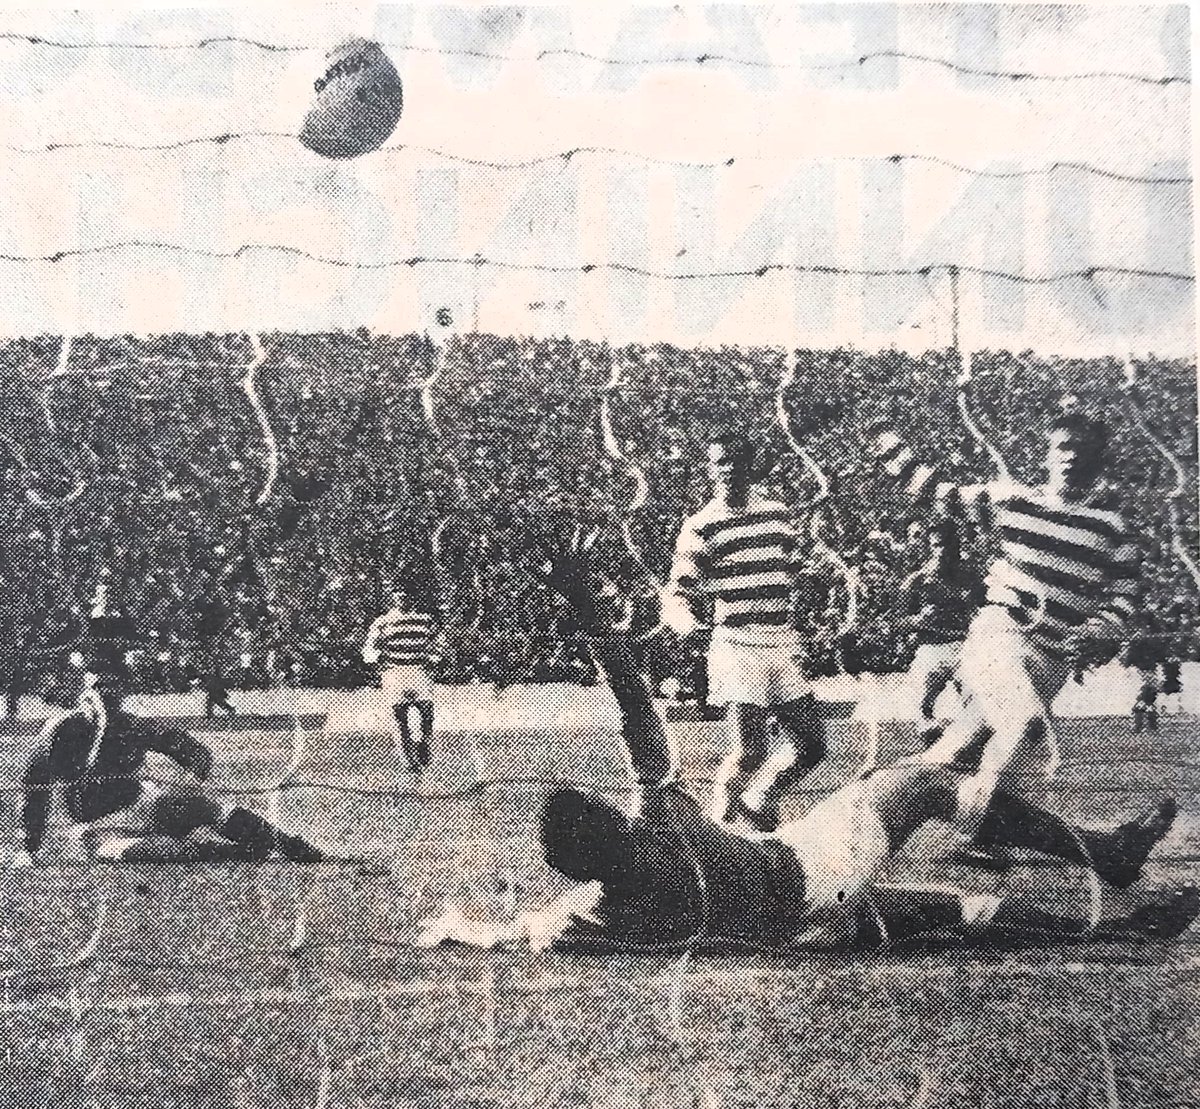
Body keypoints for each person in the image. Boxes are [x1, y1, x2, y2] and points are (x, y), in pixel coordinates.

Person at [418, 532, 1194, 953]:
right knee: (923, 779)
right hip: (811, 870)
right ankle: (1107, 854)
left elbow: (528, 930)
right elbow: (634, 708)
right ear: (605, 826)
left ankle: (1117, 925)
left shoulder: (593, 912)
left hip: (802, 927)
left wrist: (464, 928)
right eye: (602, 809)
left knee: (967, 913)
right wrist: (588, 607)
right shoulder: (652, 823)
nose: (614, 808)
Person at [868, 410, 1141, 833]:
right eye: (1063, 448)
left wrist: (1101, 627)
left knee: (951, 751)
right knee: (1023, 725)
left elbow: (1126, 598)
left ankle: (875, 802)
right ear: (1048, 455)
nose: (1071, 458)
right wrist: (888, 443)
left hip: (1055, 657)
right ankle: (975, 828)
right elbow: (935, 491)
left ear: (1098, 459)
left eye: (1082, 450)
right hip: (1002, 635)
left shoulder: (1114, 530)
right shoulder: (1013, 501)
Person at [11, 621, 326, 865]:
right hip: (99, 828)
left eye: (114, 685)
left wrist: (189, 783)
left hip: (147, 806)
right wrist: (29, 847)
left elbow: (197, 753)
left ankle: (285, 843)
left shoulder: (135, 726)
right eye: (101, 684)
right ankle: (230, 852)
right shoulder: (60, 731)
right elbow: (35, 788)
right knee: (149, 851)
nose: (108, 695)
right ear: (82, 688)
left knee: (203, 806)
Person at [665, 430, 824, 833]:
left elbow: (793, 574)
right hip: (736, 644)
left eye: (736, 461)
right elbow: (678, 590)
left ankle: (758, 798)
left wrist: (806, 617)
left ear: (750, 466)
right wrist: (687, 624)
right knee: (749, 750)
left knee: (812, 745)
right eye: (720, 462)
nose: (728, 470)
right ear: (709, 468)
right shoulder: (701, 525)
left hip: (782, 639)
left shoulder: (777, 514)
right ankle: (715, 835)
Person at [897, 519, 985, 745]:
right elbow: (898, 621)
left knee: (977, 705)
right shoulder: (916, 581)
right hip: (931, 649)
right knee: (924, 708)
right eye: (937, 545)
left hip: (964, 646)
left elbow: (986, 610)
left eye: (948, 545)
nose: (942, 551)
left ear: (956, 548)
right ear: (929, 547)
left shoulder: (971, 577)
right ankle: (929, 754)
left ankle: (969, 753)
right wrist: (919, 620)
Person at [363, 587, 440, 773]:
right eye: (398, 594)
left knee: (427, 713)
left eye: (406, 594)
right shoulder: (383, 622)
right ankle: (407, 757)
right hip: (395, 673)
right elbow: (369, 648)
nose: (402, 597)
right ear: (393, 597)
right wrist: (375, 657)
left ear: (411, 598)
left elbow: (438, 643)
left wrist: (435, 658)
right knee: (400, 717)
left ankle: (423, 744)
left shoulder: (424, 620)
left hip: (419, 671)